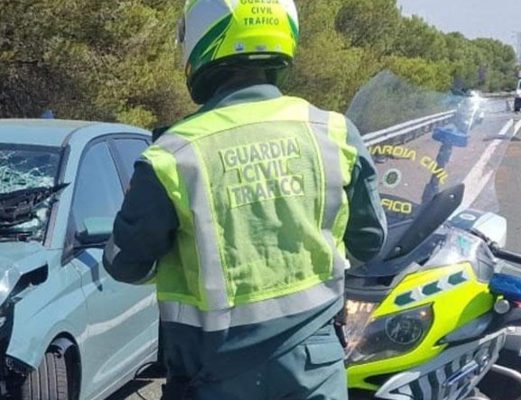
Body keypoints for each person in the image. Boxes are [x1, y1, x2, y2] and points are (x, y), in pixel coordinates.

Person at [102, 1, 388, 399]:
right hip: (313, 369)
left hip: (212, 375)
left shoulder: (173, 154)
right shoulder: (335, 133)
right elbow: (367, 243)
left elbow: (125, 264)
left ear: (202, 40)